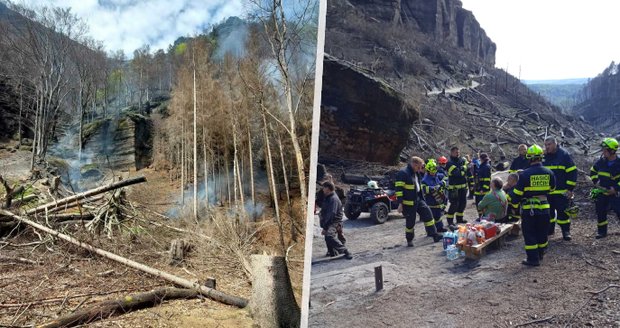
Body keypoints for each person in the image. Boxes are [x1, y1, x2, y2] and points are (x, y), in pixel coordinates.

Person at [508, 144, 556, 266]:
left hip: (530, 210)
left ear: (529, 158)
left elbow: (517, 194)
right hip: (545, 208)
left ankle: (533, 259)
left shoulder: (525, 174)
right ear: (541, 157)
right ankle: (541, 253)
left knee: (530, 234)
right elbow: (552, 189)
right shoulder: (549, 172)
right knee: (542, 232)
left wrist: (510, 197)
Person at [395, 156, 443, 247]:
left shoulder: (416, 172)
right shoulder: (403, 173)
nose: (421, 169)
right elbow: (398, 189)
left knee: (428, 215)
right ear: (414, 164)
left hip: (418, 199)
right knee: (410, 223)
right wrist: (400, 204)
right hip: (408, 203)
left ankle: (434, 235)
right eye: (419, 166)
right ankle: (409, 240)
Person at [543, 137, 578, 240]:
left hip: (561, 191)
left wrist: (570, 189)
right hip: (548, 192)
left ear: (555, 144)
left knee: (563, 213)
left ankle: (566, 231)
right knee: (548, 212)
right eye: (546, 145)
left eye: (549, 144)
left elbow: (572, 172)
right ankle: (550, 230)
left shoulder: (564, 155)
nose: (547, 147)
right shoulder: (544, 156)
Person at [589, 138, 620, 239]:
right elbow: (593, 171)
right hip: (602, 191)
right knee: (600, 212)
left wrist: (615, 189)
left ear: (612, 151)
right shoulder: (601, 162)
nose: (603, 152)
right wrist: (596, 182)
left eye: (605, 150)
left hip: (616, 193)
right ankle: (602, 232)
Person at [319, 181, 352, 259]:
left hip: (334, 222)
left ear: (327, 188)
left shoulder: (333, 199)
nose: (323, 189)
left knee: (329, 236)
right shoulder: (328, 197)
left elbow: (331, 214)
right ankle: (332, 252)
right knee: (328, 237)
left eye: (324, 188)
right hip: (330, 221)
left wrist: (325, 227)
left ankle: (345, 251)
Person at [421, 159, 448, 233]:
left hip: (438, 200)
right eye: (432, 170)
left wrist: (442, 183)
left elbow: (445, 179)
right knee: (431, 218)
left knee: (438, 216)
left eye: (435, 169)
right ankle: (430, 232)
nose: (434, 172)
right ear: (428, 170)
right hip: (431, 201)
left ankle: (439, 228)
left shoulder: (437, 176)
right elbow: (423, 189)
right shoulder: (425, 179)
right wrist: (432, 188)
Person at [446, 147, 469, 225]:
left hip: (463, 187)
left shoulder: (462, 160)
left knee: (463, 204)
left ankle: (459, 219)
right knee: (454, 205)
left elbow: (467, 167)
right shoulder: (449, 163)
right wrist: (463, 169)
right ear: (451, 153)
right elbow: (458, 174)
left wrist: (463, 168)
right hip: (454, 189)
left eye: (458, 152)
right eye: (456, 152)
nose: (458, 153)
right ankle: (450, 221)